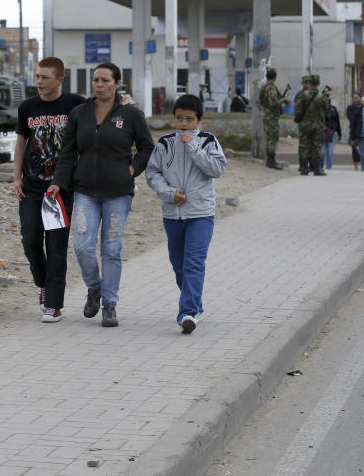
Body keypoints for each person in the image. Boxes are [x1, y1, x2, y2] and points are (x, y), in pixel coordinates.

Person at [47, 62, 155, 328]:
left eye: (106, 80)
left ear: (117, 84)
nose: (100, 84)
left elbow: (146, 147)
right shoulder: (79, 114)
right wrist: (59, 182)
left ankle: (109, 305)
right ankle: (94, 288)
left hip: (118, 192)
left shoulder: (131, 114)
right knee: (83, 246)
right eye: (96, 80)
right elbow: (68, 152)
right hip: (85, 190)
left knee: (111, 249)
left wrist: (131, 170)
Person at [145, 95, 227, 334]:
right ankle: (195, 305)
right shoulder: (164, 143)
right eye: (179, 118)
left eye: (189, 119)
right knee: (178, 264)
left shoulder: (208, 141)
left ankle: (187, 312)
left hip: (201, 213)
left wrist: (192, 145)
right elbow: (152, 173)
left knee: (194, 262)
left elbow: (217, 169)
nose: (183, 124)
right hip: (172, 214)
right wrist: (170, 193)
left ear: (199, 120)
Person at [13, 57, 85, 323]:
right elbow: (21, 144)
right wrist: (16, 178)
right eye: (37, 77)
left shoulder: (76, 104)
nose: (39, 82)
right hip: (31, 188)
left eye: (45, 77)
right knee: (30, 240)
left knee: (56, 247)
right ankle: (43, 283)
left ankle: (54, 305)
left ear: (60, 79)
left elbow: (103, 111)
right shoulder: (27, 107)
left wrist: (125, 103)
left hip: (61, 190)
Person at [293, 74, 329, 176]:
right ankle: (317, 168)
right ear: (318, 83)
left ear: (309, 83)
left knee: (304, 145)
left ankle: (304, 168)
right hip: (317, 125)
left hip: (304, 125)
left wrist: (298, 119)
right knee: (317, 146)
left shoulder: (302, 95)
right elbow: (327, 110)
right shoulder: (322, 97)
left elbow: (298, 109)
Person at [257, 68, 286, 170]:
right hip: (272, 116)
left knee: (269, 137)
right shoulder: (271, 88)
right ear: (275, 77)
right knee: (273, 138)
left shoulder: (263, 87)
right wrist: (282, 102)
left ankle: (270, 160)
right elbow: (273, 101)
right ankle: (271, 161)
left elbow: (260, 100)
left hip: (266, 114)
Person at [321, 91, 341, 170]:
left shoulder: (333, 109)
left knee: (330, 153)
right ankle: (320, 167)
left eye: (328, 97)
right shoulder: (320, 109)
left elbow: (337, 121)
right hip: (322, 133)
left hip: (333, 133)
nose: (328, 99)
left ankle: (329, 168)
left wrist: (339, 133)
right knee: (322, 153)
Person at [346, 93, 363, 171]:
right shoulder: (350, 108)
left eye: (357, 98)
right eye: (354, 98)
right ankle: (356, 167)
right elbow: (351, 118)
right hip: (354, 132)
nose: (355, 100)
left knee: (363, 150)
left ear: (361, 98)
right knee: (355, 150)